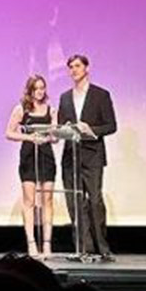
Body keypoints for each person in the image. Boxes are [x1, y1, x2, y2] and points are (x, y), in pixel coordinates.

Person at [57, 54, 117, 261]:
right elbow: (61, 125)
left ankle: (102, 247)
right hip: (70, 156)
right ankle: (83, 248)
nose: (73, 70)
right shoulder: (65, 97)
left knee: (94, 200)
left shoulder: (101, 95)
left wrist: (90, 129)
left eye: (77, 66)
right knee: (75, 202)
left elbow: (111, 126)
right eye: (70, 67)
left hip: (92, 155)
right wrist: (63, 129)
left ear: (86, 68)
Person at [4, 73, 58, 258]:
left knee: (48, 200)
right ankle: (31, 244)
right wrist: (29, 137)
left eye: (42, 88)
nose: (40, 92)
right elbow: (9, 133)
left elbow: (56, 136)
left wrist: (50, 137)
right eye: (36, 88)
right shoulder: (21, 109)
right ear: (30, 90)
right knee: (29, 200)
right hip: (28, 156)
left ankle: (47, 244)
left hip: (46, 156)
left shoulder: (51, 110)